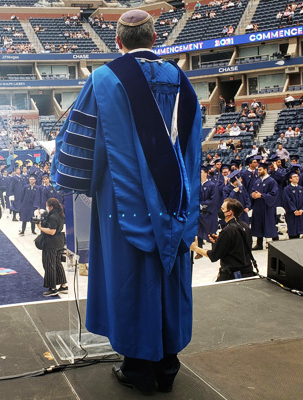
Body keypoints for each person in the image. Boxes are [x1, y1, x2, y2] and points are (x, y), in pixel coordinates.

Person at [51, 9, 201, 395]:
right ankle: (168, 365)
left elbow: (78, 143)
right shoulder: (181, 80)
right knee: (168, 276)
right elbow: (193, 149)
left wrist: (76, 181)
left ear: (118, 42)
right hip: (174, 201)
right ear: (154, 39)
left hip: (122, 202)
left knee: (133, 277)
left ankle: (137, 369)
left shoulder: (104, 79)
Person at [191, 198, 256, 280]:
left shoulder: (227, 231)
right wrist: (220, 240)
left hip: (232, 275)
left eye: (222, 209)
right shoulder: (244, 226)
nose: (220, 211)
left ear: (229, 212)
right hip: (247, 272)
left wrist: (195, 248)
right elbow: (237, 244)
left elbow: (213, 256)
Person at [37, 197, 67, 296]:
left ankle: (52, 288)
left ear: (50, 206)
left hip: (51, 244)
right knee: (58, 263)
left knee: (49, 265)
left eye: (47, 206)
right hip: (59, 242)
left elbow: (52, 231)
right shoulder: (60, 214)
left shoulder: (53, 216)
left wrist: (40, 227)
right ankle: (63, 285)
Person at [250, 161, 278, 250]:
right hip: (258, 206)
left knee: (269, 224)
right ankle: (259, 244)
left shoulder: (272, 181)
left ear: (265, 170)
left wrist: (262, 195)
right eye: (258, 170)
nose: (258, 171)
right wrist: (253, 195)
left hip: (267, 207)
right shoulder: (257, 181)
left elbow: (274, 194)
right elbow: (252, 190)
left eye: (260, 170)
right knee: (258, 224)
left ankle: (276, 243)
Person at [196, 166, 219, 259]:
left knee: (212, 231)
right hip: (199, 212)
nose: (199, 174)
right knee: (199, 231)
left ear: (206, 173)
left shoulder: (212, 185)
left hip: (209, 212)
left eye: (201, 172)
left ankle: (214, 251)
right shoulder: (197, 185)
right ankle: (200, 251)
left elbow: (214, 199)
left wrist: (202, 205)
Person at [282, 171, 303, 239]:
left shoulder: (301, 189)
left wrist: (302, 210)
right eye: (294, 177)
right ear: (290, 179)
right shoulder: (287, 189)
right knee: (292, 231)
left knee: (299, 231)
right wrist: (294, 210)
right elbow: (287, 201)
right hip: (291, 213)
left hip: (300, 213)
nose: (297, 178)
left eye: (297, 176)